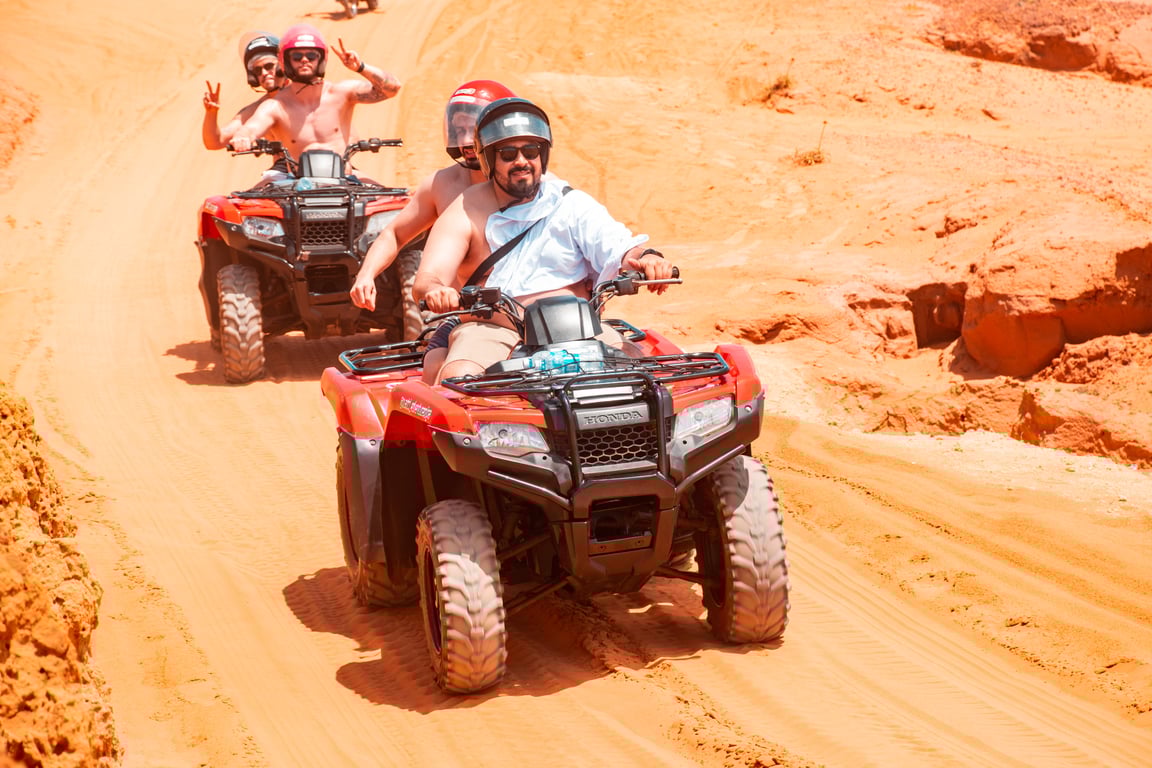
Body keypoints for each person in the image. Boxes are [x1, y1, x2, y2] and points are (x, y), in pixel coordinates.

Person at [413, 97, 674, 383]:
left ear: (543, 155)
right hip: (494, 331)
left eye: (531, 151)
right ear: (489, 159)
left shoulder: (569, 203)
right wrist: (437, 291)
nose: (521, 161)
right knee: (460, 378)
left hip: (580, 329)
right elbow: (428, 277)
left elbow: (620, 247)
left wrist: (647, 258)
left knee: (637, 370)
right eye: (508, 153)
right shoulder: (464, 211)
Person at [349, 79, 516, 378]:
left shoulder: (530, 184)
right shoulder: (443, 185)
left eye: (473, 129)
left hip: (530, 314)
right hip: (467, 315)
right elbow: (395, 233)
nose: (465, 140)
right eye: (458, 129)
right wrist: (366, 275)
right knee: (435, 369)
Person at [228, 24, 401, 169]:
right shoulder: (275, 106)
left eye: (311, 55)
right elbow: (251, 127)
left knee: (395, 199)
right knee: (240, 200)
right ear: (285, 62)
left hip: (346, 180)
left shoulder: (342, 92)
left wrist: (361, 67)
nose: (304, 60)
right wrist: (243, 136)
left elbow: (392, 88)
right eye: (297, 56)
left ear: (321, 59)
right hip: (294, 185)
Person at [202, 32, 291, 180]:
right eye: (258, 70)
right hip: (283, 170)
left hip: (321, 164)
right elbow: (214, 142)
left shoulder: (307, 95)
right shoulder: (256, 109)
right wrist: (211, 112)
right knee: (255, 194)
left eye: (269, 66)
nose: (264, 73)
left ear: (283, 66)